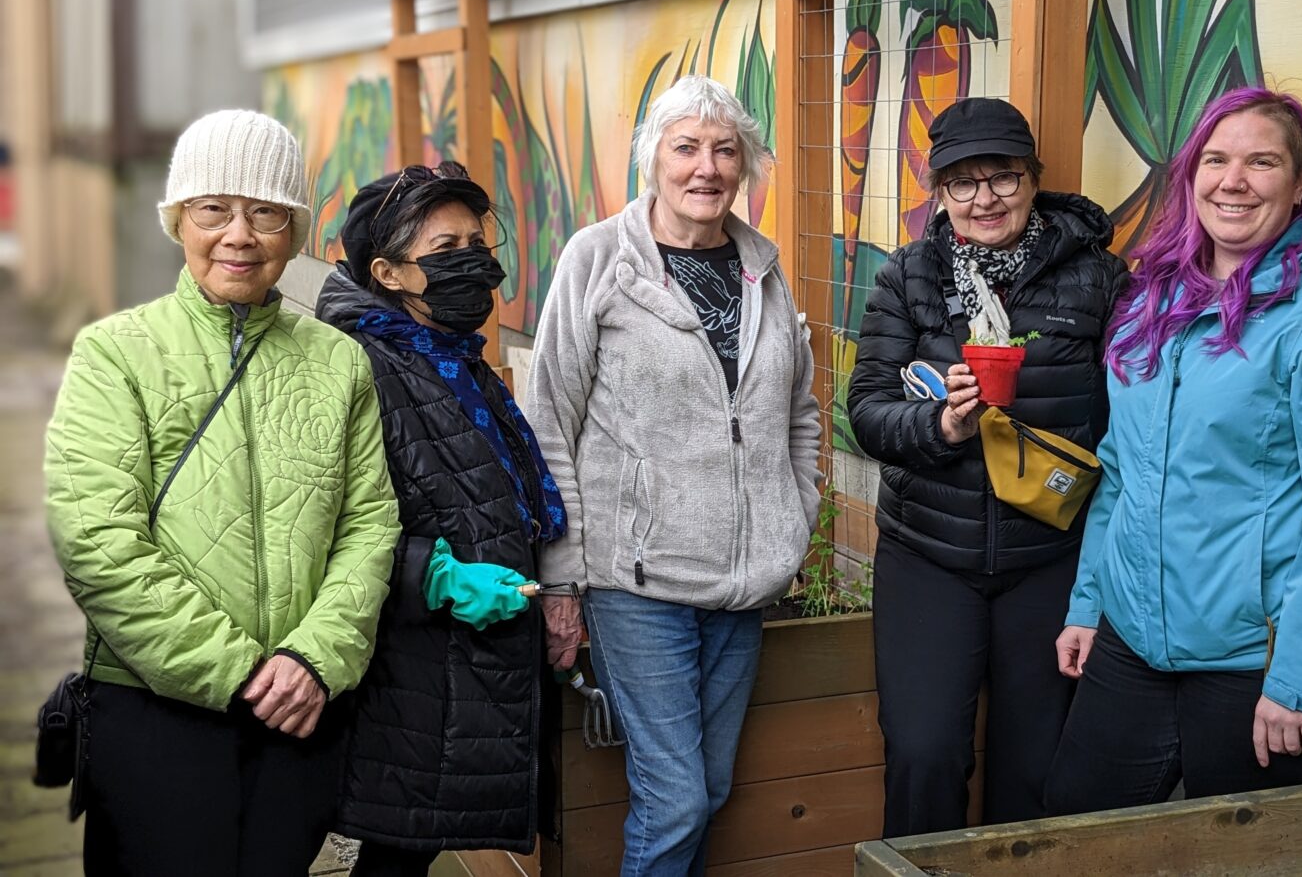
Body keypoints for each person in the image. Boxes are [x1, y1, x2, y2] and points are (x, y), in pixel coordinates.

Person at [42, 110, 400, 875]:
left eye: (265, 212)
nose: (239, 235)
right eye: (214, 209)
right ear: (179, 220)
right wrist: (239, 669)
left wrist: (313, 658)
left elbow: (369, 526)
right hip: (153, 706)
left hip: (300, 707)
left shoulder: (339, 362)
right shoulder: (117, 353)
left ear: (293, 230)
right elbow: (96, 541)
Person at [1047, 87, 1302, 813]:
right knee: (1075, 828)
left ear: (1300, 182)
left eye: (1262, 162)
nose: (1233, 180)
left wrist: (1299, 679)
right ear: (1191, 176)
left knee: (1225, 854)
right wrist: (1090, 602)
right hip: (1136, 629)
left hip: (1261, 654)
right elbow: (1122, 472)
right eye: (1215, 159)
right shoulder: (1155, 300)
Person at [527, 75, 822, 876]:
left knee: (709, 787)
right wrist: (561, 580)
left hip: (743, 586)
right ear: (652, 158)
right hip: (636, 584)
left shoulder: (761, 265)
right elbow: (549, 419)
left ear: (747, 164)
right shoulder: (598, 259)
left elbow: (797, 411)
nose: (707, 167)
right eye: (686, 147)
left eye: (726, 149)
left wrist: (794, 521)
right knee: (677, 796)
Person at [846, 97, 1127, 837]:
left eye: (1002, 176)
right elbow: (868, 411)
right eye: (961, 184)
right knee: (925, 753)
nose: (984, 199)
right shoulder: (908, 277)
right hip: (928, 554)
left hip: (1049, 556)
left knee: (1034, 763)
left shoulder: (1097, 278)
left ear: (1033, 179)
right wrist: (941, 423)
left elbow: (1130, 418)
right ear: (939, 194)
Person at [316, 162, 570, 875]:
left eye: (476, 243)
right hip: (414, 662)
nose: (472, 263)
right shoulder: (364, 366)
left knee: (407, 845)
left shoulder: (450, 357)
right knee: (398, 849)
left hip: (458, 665)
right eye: (445, 250)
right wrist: (440, 577)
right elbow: (330, 522)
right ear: (388, 273)